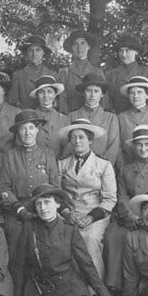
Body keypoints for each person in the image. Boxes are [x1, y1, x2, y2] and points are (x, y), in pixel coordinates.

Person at [13, 184, 128, 296]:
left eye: (47, 202)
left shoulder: (69, 229)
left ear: (58, 204)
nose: (42, 208)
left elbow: (86, 265)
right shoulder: (29, 228)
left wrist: (105, 295)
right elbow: (20, 265)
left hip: (69, 286)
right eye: (38, 204)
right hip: (41, 288)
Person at [104, 125, 148, 294]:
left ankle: (140, 287)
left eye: (147, 144)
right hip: (128, 217)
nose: (143, 148)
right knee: (113, 235)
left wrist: (143, 218)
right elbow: (122, 195)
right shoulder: (126, 168)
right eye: (139, 144)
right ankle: (115, 286)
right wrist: (130, 216)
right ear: (134, 147)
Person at [0, 110, 60, 271]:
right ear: (18, 132)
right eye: (23, 129)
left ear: (37, 129)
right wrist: (19, 209)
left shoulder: (47, 154)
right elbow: (4, 187)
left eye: (31, 128)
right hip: (18, 208)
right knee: (17, 233)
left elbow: (55, 185)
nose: (27, 133)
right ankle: (16, 283)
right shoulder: (10, 155)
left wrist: (46, 207)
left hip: (44, 206)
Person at [58, 119, 116, 279]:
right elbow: (56, 193)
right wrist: (67, 213)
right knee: (59, 237)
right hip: (69, 213)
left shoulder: (103, 165)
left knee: (90, 239)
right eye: (74, 137)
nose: (77, 141)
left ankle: (96, 288)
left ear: (90, 140)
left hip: (95, 214)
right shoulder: (62, 164)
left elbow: (110, 199)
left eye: (81, 137)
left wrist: (91, 217)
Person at [66, 73, 119, 165]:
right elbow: (68, 144)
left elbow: (113, 145)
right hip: (76, 167)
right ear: (83, 93)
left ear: (102, 94)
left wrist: (103, 166)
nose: (92, 95)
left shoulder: (110, 117)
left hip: (102, 168)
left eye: (96, 91)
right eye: (89, 91)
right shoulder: (72, 115)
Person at [106, 34, 148, 114]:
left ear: (136, 52)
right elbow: (107, 100)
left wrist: (144, 115)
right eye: (121, 51)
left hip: (143, 117)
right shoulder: (111, 74)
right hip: (118, 117)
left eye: (127, 50)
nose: (123, 54)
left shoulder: (147, 72)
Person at [59, 30, 108, 113]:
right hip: (71, 119)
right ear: (71, 48)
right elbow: (62, 101)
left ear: (89, 46)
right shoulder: (64, 73)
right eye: (75, 44)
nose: (79, 47)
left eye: (83, 43)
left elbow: (104, 101)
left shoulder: (98, 72)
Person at [8, 35, 58, 109]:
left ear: (43, 52)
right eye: (31, 50)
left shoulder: (52, 75)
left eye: (38, 50)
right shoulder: (18, 76)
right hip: (26, 117)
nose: (34, 54)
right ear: (26, 53)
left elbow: (58, 102)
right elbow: (12, 102)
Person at [30, 75, 70, 158]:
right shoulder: (30, 116)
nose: (46, 96)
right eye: (41, 92)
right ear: (37, 95)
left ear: (55, 94)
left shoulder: (63, 119)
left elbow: (66, 147)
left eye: (49, 91)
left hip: (56, 164)